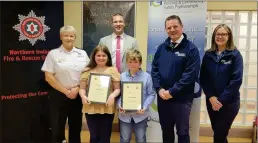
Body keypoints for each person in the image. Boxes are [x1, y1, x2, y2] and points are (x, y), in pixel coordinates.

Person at [151, 15, 200, 143]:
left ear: (182, 27)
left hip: (182, 100)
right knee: (166, 130)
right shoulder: (162, 48)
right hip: (163, 98)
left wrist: (172, 91)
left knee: (183, 132)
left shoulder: (191, 49)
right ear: (166, 30)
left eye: (175, 26)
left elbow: (190, 74)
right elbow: (154, 69)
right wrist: (159, 89)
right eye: (169, 27)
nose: (172, 29)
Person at [41, 25, 89, 143]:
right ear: (61, 37)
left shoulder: (82, 53)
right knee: (57, 127)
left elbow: (88, 74)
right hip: (58, 95)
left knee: (76, 126)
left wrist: (77, 88)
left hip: (77, 95)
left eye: (71, 36)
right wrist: (66, 91)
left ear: (75, 37)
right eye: (66, 35)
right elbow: (48, 77)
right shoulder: (53, 54)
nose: (69, 38)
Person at [200, 24, 243, 143]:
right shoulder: (208, 55)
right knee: (219, 133)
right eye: (218, 34)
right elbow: (204, 77)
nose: (220, 37)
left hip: (229, 103)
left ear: (229, 36)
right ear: (214, 36)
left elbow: (236, 80)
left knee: (219, 135)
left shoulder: (235, 55)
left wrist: (221, 100)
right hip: (212, 101)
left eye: (224, 34)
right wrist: (211, 96)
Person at [79, 45, 121, 143]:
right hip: (90, 107)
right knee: (93, 136)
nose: (101, 58)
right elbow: (82, 89)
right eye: (98, 55)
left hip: (107, 107)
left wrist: (112, 95)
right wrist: (83, 96)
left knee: (105, 137)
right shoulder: (87, 70)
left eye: (104, 55)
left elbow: (117, 89)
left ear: (108, 57)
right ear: (94, 56)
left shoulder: (113, 70)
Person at [117, 49, 156, 143]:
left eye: (135, 62)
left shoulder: (147, 77)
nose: (133, 64)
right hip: (125, 115)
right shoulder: (122, 77)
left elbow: (151, 94)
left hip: (141, 115)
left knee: (141, 138)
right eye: (130, 61)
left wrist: (144, 106)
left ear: (140, 63)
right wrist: (119, 105)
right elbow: (118, 94)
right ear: (127, 62)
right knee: (125, 139)